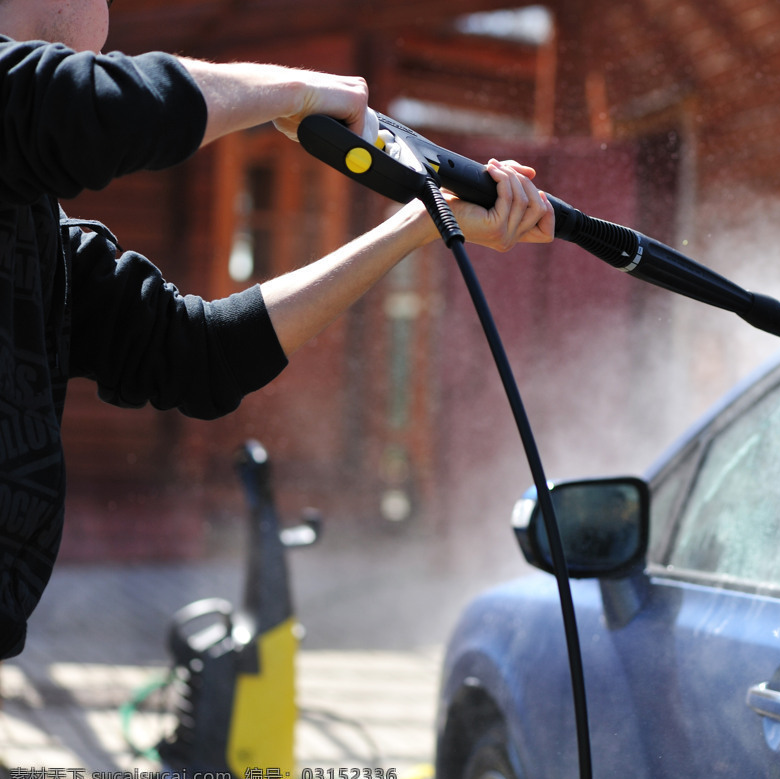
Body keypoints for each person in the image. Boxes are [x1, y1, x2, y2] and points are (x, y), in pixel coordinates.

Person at [0, 0, 556, 663]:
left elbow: (198, 353)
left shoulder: (38, 234)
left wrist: (419, 226)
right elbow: (89, 108)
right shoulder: (41, 106)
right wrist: (294, 94)